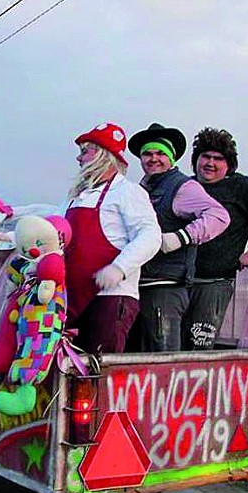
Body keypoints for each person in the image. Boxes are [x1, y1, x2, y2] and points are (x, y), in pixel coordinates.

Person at [126, 123, 231, 352]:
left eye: (161, 153)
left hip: (165, 289)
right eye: (148, 153)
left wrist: (181, 237)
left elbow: (219, 216)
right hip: (140, 287)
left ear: (171, 158)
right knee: (138, 354)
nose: (154, 158)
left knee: (162, 357)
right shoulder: (140, 189)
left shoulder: (183, 187)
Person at [184, 127, 248, 349]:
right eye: (205, 156)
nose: (210, 163)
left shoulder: (240, 187)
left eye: (218, 158)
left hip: (214, 282)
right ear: (196, 159)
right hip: (176, 281)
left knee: (199, 344)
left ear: (228, 164)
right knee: (171, 344)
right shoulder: (185, 187)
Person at [63, 122, 161, 354]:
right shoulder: (79, 197)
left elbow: (150, 235)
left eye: (85, 151)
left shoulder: (128, 192)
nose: (79, 159)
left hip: (111, 298)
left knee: (97, 371)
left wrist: (119, 268)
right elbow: (53, 228)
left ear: (103, 156)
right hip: (75, 299)